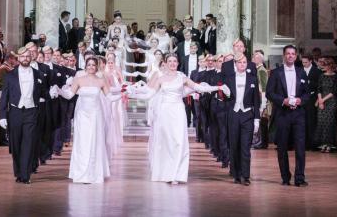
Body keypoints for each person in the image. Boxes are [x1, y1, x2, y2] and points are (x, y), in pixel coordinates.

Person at [126, 53, 217, 184]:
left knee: (179, 141)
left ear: (178, 63)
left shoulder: (182, 77)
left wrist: (217, 87)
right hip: (164, 112)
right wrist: (131, 94)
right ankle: (167, 173)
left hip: (178, 111)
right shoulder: (160, 78)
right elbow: (149, 95)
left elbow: (198, 88)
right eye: (170, 61)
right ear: (166, 63)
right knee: (167, 142)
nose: (173, 63)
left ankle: (177, 174)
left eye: (175, 61)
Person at [58, 56, 116, 184]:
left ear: (96, 67)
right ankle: (81, 173)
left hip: (96, 115)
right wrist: (59, 91)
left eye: (93, 65)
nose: (91, 67)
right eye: (89, 65)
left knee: (94, 142)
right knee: (83, 143)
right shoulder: (79, 79)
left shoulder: (101, 81)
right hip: (82, 115)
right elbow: (69, 95)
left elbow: (110, 97)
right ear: (85, 66)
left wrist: (123, 94)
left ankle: (94, 173)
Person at [0, 47, 49, 184]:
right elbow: (4, 97)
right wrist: (2, 116)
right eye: (23, 56)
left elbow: (44, 92)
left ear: (31, 57)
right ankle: (19, 172)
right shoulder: (10, 75)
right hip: (15, 112)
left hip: (31, 112)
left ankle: (25, 175)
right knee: (16, 144)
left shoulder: (38, 75)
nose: (25, 58)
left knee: (28, 142)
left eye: (28, 56)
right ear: (18, 58)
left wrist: (45, 96)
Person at [266, 45, 309, 187]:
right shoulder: (276, 72)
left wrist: (300, 100)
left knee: (300, 147)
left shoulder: (301, 72)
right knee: (282, 147)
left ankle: (299, 178)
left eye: (293, 54)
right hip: (283, 113)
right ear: (284, 56)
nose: (290, 56)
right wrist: (282, 101)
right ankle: (285, 177)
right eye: (288, 54)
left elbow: (307, 93)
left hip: (298, 114)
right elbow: (269, 93)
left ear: (296, 56)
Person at [220, 54, 260, 185]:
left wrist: (256, 119)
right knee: (234, 146)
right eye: (240, 62)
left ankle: (246, 176)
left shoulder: (253, 79)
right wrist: (224, 95)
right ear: (235, 64)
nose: (242, 64)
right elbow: (224, 98)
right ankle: (236, 174)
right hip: (233, 114)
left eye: (244, 62)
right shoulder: (229, 78)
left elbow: (256, 101)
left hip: (247, 115)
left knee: (245, 147)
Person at [314, 59, 337, 152]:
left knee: (329, 123)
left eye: (326, 65)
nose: (325, 67)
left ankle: (329, 144)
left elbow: (334, 91)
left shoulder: (336, 77)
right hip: (322, 99)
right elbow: (319, 89)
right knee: (321, 122)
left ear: (331, 66)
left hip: (331, 101)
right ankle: (322, 144)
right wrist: (320, 100)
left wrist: (323, 100)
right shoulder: (321, 76)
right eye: (324, 65)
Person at [302, 54, 321, 150]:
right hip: (302, 99)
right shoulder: (300, 71)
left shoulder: (317, 71)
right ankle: (304, 144)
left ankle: (313, 144)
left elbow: (319, 85)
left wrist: (310, 82)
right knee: (303, 122)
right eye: (303, 62)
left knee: (311, 121)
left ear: (310, 61)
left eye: (305, 62)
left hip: (312, 98)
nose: (304, 64)